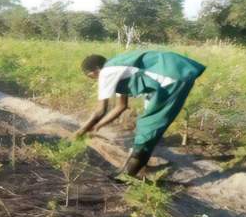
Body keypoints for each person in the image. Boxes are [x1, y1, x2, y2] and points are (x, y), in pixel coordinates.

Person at [74, 50, 205, 177]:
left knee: (148, 124)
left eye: (92, 76)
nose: (95, 80)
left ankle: (128, 175)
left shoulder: (106, 72)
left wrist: (79, 133)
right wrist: (97, 126)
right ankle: (141, 165)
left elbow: (100, 110)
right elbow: (121, 107)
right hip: (172, 73)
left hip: (172, 75)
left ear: (96, 69)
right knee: (148, 123)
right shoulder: (119, 70)